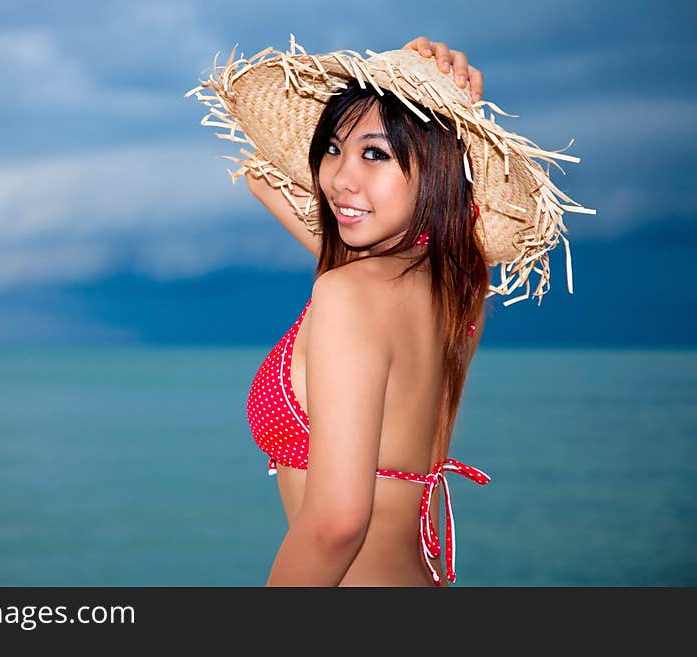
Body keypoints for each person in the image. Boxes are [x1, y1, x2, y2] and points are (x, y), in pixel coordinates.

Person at [186, 36, 593, 586]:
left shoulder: (349, 294)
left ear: (440, 170)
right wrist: (403, 79)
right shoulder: (461, 286)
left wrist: (416, 88)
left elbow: (336, 524)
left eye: (375, 153)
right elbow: (267, 177)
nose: (339, 178)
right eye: (332, 148)